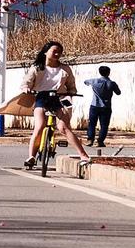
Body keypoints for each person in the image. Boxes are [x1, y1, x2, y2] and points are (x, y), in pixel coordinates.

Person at [21, 40, 93, 169]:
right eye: (54, 51)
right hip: (42, 98)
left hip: (60, 98)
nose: (57, 54)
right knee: (40, 126)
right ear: (45, 52)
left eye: (59, 52)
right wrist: (26, 88)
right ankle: (31, 157)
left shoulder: (65, 69)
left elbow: (71, 86)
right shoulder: (37, 67)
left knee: (63, 127)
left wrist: (71, 93)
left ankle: (83, 155)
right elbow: (26, 82)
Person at [84, 65, 121, 149]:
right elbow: (118, 92)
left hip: (94, 105)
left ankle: (90, 140)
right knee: (104, 125)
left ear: (100, 72)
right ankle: (100, 141)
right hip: (106, 107)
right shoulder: (112, 83)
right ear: (108, 73)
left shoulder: (94, 81)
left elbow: (85, 82)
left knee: (92, 124)